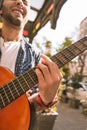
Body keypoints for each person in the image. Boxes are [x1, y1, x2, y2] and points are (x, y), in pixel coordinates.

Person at [0, 0, 62, 129]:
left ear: (27, 17)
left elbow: (30, 105)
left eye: (25, 2)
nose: (20, 2)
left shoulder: (35, 57)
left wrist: (45, 98)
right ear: (1, 9)